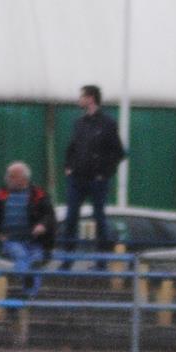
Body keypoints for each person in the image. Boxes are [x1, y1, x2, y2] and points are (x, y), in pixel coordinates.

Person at [59, 84, 125, 263]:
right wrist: (69, 167)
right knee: (71, 216)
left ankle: (101, 260)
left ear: (91, 98)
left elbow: (118, 152)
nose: (79, 100)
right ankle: (68, 258)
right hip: (77, 178)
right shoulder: (79, 123)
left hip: (97, 180)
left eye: (82, 96)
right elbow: (72, 148)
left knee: (99, 218)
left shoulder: (107, 123)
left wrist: (104, 173)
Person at [0, 161, 55, 296]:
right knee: (20, 255)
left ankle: (29, 292)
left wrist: (42, 225)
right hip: (11, 240)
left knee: (35, 259)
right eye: (9, 176)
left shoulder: (38, 194)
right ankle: (28, 285)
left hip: (35, 241)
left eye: (13, 176)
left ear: (24, 179)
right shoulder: (0, 195)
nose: (8, 179)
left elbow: (49, 215)